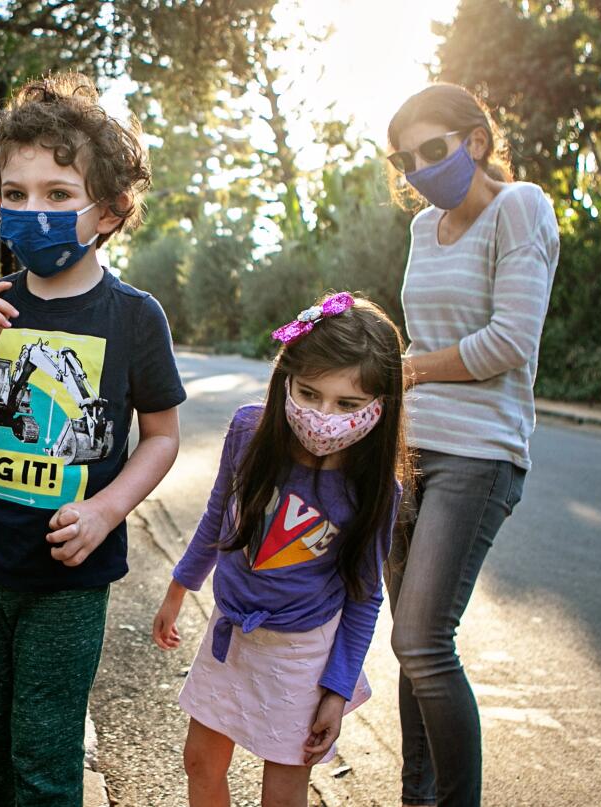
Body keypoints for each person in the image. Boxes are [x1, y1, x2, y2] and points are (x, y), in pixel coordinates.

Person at [0, 72, 185, 806]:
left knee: (44, 746)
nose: (32, 211)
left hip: (70, 580)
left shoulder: (134, 318)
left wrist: (107, 509)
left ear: (109, 209)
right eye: (16, 193)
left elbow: (162, 437)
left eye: (58, 195)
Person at [152, 293, 408, 807]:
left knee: (283, 790)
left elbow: (364, 597)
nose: (322, 416)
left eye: (348, 404)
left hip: (302, 654)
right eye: (309, 393)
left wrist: (336, 691)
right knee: (200, 761)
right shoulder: (249, 432)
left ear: (381, 406)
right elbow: (215, 518)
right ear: (285, 378)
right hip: (231, 631)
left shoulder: (375, 490)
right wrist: (180, 588)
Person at [384, 83, 559, 807]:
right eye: (405, 160)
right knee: (408, 644)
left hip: (479, 454)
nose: (420, 169)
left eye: (433, 149)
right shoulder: (425, 227)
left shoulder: (522, 208)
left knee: (424, 638)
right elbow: (423, 332)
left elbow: (510, 342)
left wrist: (408, 370)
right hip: (410, 450)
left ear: (476, 141)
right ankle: (414, 798)